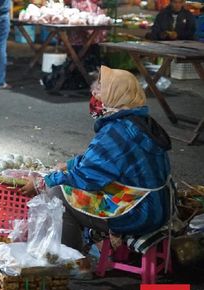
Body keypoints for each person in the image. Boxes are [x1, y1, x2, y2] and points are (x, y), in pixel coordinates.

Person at [20, 66, 172, 251]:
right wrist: (67, 165)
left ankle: (70, 260)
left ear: (116, 94)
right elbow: (100, 161)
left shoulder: (117, 132)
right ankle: (88, 242)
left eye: (100, 89)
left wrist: (43, 182)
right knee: (64, 180)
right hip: (160, 205)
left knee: (58, 193)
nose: (94, 93)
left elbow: (86, 177)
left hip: (139, 212)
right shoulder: (139, 122)